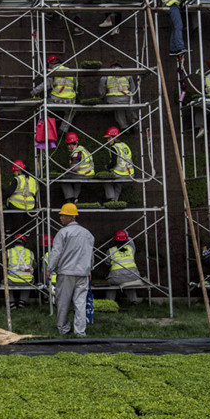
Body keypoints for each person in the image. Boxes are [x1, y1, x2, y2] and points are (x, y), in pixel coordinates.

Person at [46, 203, 94, 337]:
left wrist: (50, 269)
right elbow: (90, 254)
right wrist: (89, 270)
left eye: (62, 215)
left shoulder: (63, 233)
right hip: (83, 273)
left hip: (66, 273)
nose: (60, 218)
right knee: (80, 303)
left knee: (63, 302)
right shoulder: (88, 234)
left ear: (69, 217)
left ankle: (63, 329)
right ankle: (80, 331)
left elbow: (56, 253)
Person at [32, 55, 78, 135]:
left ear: (50, 64)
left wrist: (34, 92)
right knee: (71, 111)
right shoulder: (70, 71)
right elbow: (76, 85)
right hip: (70, 100)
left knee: (44, 109)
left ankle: (44, 128)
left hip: (55, 100)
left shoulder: (53, 72)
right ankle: (63, 129)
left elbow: (46, 85)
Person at [105, 229, 142, 304]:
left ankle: (109, 302)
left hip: (116, 278)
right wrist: (125, 234)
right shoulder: (131, 249)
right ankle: (134, 301)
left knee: (110, 285)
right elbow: (131, 240)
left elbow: (107, 263)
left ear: (114, 240)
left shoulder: (111, 251)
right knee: (129, 281)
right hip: (134, 276)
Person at [99, 60, 137, 131]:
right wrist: (131, 95)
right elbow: (133, 88)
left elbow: (102, 87)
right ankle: (133, 120)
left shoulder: (106, 76)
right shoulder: (127, 75)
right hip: (126, 98)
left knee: (118, 111)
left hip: (112, 99)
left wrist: (102, 96)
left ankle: (124, 127)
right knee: (130, 106)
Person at [58, 132, 94, 203]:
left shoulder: (76, 153)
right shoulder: (83, 149)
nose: (68, 146)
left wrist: (68, 170)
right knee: (77, 181)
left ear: (72, 144)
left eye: (68, 144)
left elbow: (74, 168)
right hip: (90, 174)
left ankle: (70, 198)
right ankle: (75, 198)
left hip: (82, 174)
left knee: (63, 179)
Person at [103, 126, 134, 202]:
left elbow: (114, 163)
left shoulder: (114, 148)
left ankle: (112, 199)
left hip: (119, 173)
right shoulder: (125, 145)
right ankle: (115, 201)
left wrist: (107, 167)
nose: (107, 140)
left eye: (109, 138)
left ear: (114, 138)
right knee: (118, 183)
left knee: (106, 180)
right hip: (130, 174)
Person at [6, 233, 34, 309]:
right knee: (30, 280)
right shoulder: (30, 252)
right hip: (27, 280)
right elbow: (35, 266)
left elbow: (4, 265)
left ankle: (11, 302)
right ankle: (23, 301)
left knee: (5, 281)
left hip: (12, 280)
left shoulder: (9, 251)